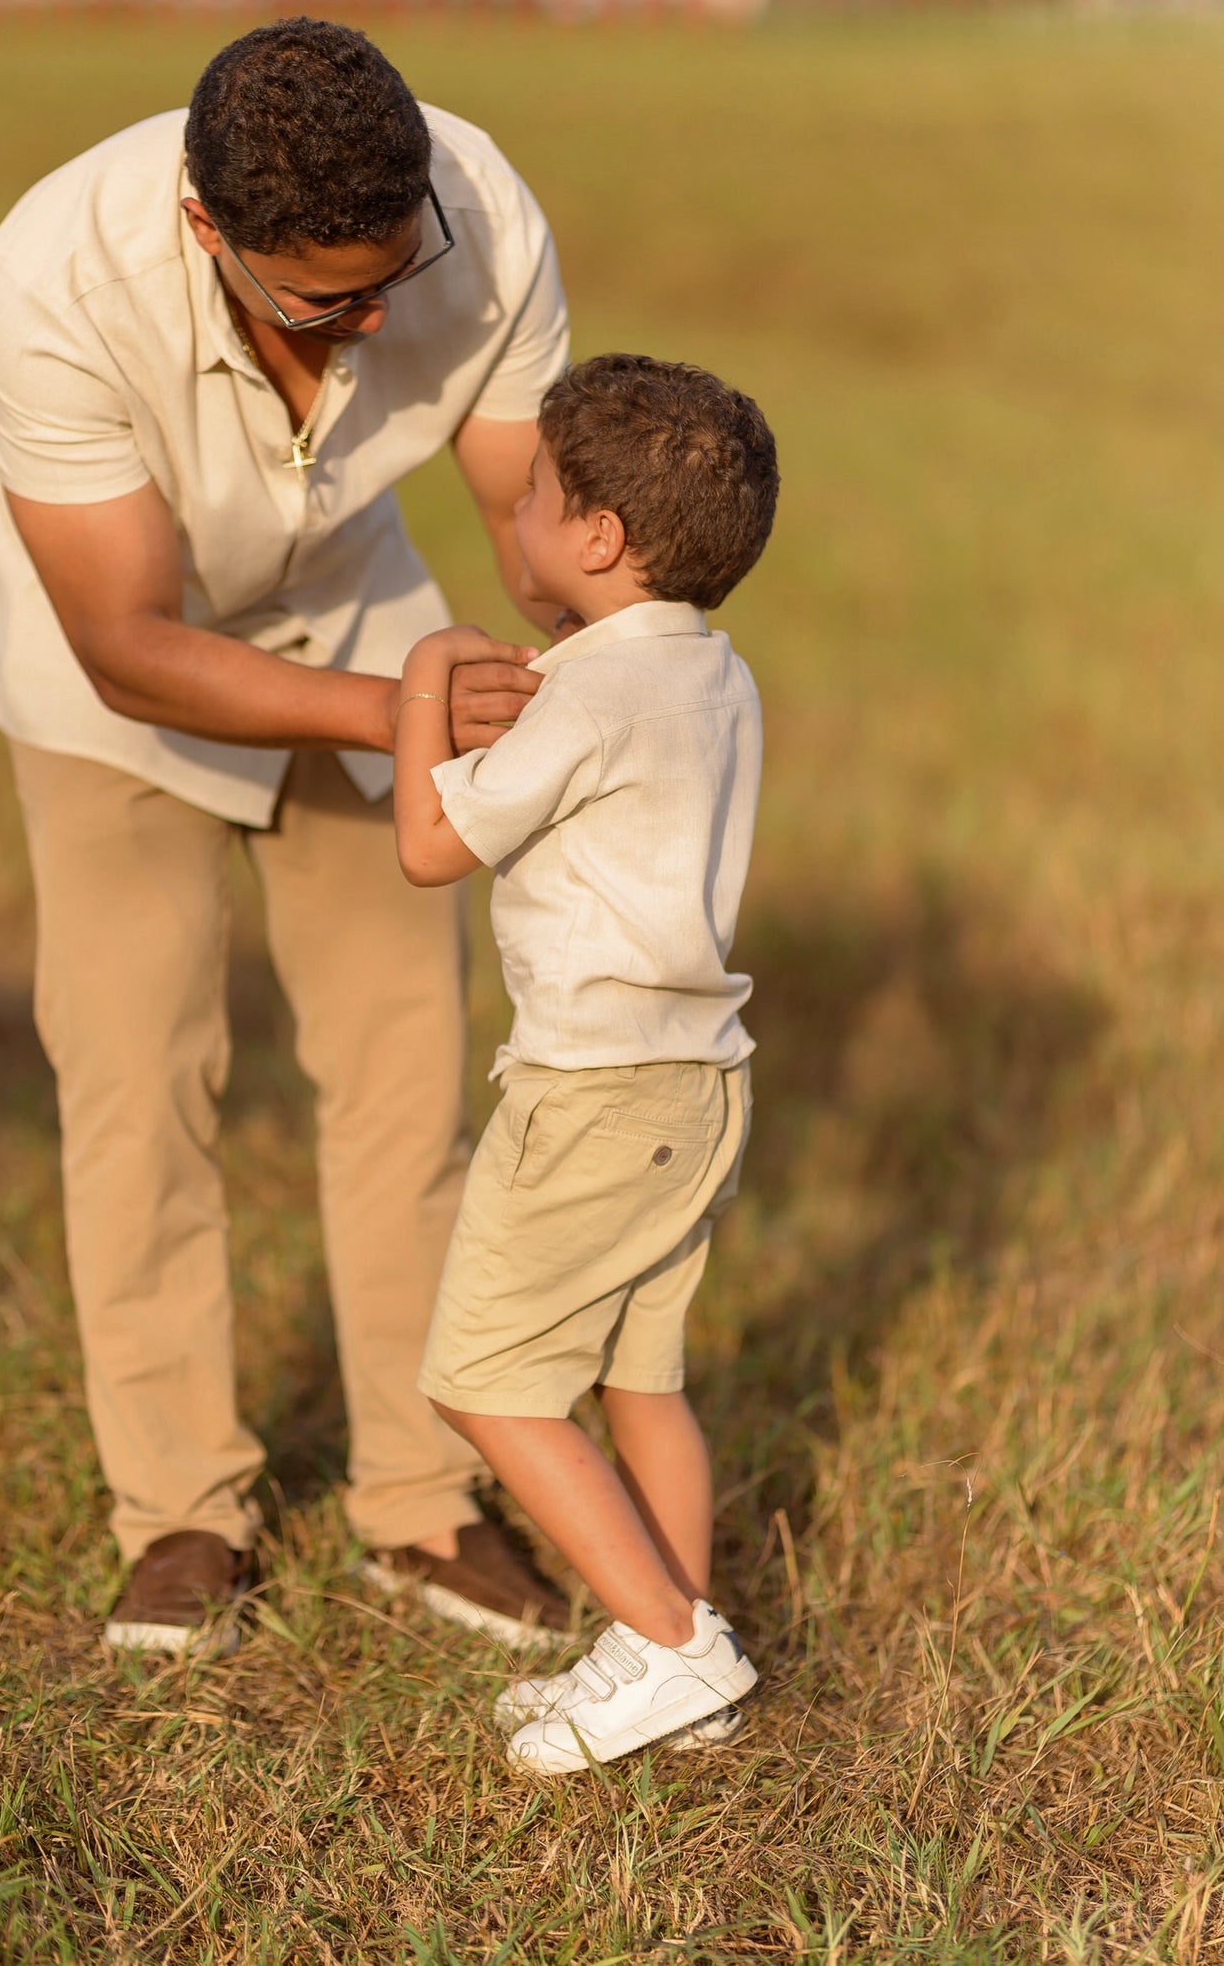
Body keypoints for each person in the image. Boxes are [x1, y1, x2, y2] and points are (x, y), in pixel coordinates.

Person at [0, 16, 577, 1653]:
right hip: (118, 687)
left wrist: (627, 631)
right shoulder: (52, 277)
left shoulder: (478, 214)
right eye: (327, 299)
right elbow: (128, 637)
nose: (376, 317)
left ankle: (424, 1502)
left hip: (362, 619)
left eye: (397, 273)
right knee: (138, 1083)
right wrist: (400, 715)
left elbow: (538, 533)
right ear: (206, 229)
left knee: (405, 1081)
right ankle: (179, 1517)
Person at [391, 352, 779, 1772]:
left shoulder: (590, 698)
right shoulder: (706, 670)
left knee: (486, 1381)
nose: (521, 515)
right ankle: (668, 1646)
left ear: (598, 539)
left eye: (538, 496)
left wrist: (427, 674)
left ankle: (677, 1650)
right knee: (639, 1378)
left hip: (593, 1090)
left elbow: (432, 846)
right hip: (695, 1083)